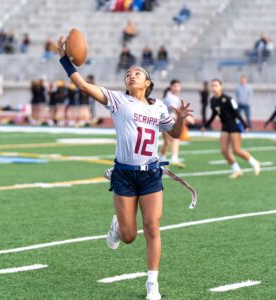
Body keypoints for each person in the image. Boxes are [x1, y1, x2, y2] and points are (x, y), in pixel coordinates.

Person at [57, 35, 193, 300]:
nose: (131, 75)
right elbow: (83, 85)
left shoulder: (159, 107)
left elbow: (174, 133)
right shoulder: (117, 100)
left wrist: (180, 120)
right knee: (130, 236)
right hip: (124, 174)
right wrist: (64, 58)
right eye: (128, 73)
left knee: (152, 227)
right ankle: (118, 225)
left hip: (151, 173)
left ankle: (152, 285)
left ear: (148, 82)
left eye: (137, 73)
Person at [203, 79, 261, 178]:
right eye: (212, 86)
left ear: (221, 87)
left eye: (216, 85)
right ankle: (237, 170)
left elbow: (237, 113)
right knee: (224, 150)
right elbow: (214, 114)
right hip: (225, 127)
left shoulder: (228, 99)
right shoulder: (212, 100)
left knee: (236, 150)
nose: (214, 87)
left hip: (234, 126)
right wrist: (205, 125)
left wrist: (245, 125)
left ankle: (255, 163)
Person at [160, 79, 193, 168]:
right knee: (175, 138)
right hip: (167, 121)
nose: (177, 88)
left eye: (178, 86)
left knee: (167, 142)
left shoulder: (174, 97)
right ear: (171, 87)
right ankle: (174, 158)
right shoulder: (170, 97)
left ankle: (162, 159)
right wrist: (187, 118)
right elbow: (175, 110)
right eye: (175, 86)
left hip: (165, 121)